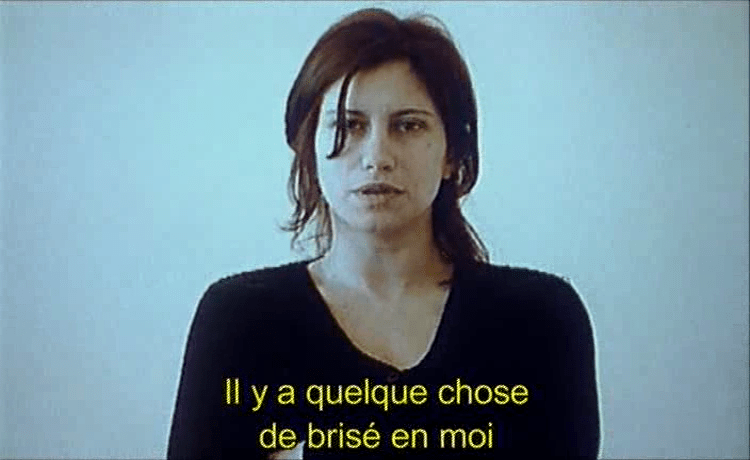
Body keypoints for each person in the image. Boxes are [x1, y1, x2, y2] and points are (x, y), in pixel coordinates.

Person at [167, 8, 600, 459]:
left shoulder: (539, 319)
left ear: (453, 153)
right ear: (308, 147)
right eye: (348, 126)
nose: (377, 156)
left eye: (408, 125)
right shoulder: (240, 321)